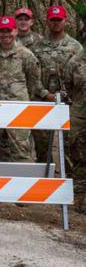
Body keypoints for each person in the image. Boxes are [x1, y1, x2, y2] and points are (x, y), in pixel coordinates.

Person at [0, 16, 45, 162]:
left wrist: (22, 97)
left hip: (18, 106)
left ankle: (23, 182)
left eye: (9, 30)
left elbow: (34, 82)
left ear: (15, 31)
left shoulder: (26, 55)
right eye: (2, 31)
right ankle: (0, 181)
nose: (6, 34)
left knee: (21, 148)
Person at [31, 5, 82, 162]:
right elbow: (32, 75)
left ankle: (68, 176)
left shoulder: (75, 47)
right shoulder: (36, 47)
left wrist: (68, 95)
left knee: (69, 143)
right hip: (42, 100)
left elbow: (79, 76)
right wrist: (45, 94)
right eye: (52, 20)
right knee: (42, 144)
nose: (56, 23)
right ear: (47, 22)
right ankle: (45, 177)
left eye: (59, 20)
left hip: (68, 102)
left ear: (65, 21)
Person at [64, 45, 86, 213]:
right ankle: (79, 196)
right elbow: (68, 86)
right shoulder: (75, 61)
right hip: (79, 112)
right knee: (77, 151)